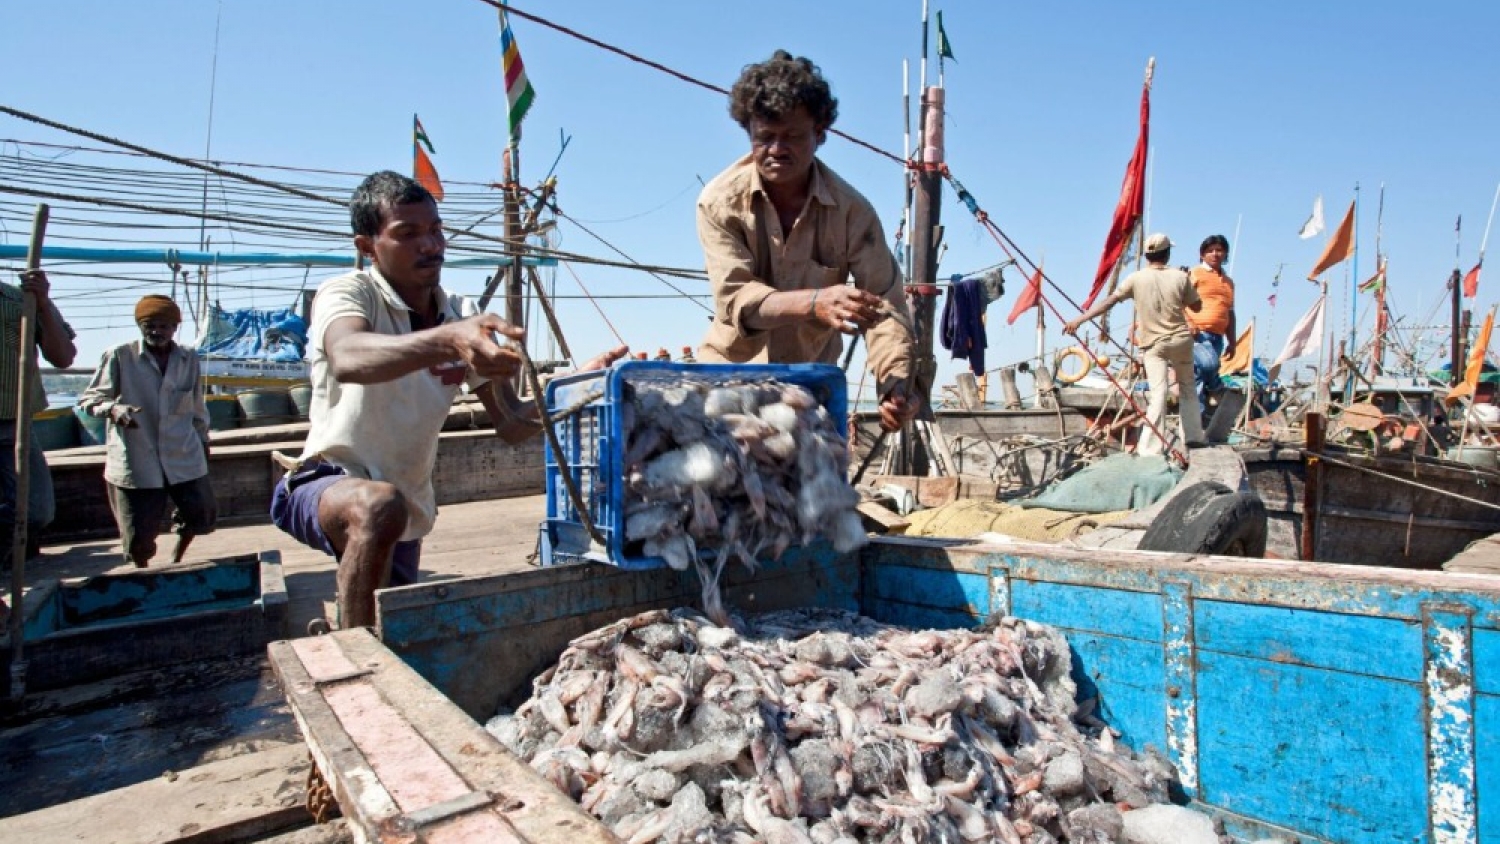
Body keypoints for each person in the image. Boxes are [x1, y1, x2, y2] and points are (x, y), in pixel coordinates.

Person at [271, 170, 626, 629]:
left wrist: (579, 385)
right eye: (408, 234)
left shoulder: (459, 313)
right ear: (367, 247)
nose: (430, 245)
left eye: (436, 230)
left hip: (407, 506)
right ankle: (354, 656)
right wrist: (448, 341)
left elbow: (512, 424)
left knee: (389, 613)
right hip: (325, 480)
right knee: (376, 510)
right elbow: (347, 356)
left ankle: (357, 637)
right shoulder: (349, 293)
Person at [696, 50, 920, 433]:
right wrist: (816, 302)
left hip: (808, 394)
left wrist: (895, 386)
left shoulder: (853, 212)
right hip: (729, 386)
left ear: (820, 134)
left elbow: (885, 307)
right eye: (765, 137)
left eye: (793, 136)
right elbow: (735, 300)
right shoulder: (719, 202)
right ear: (749, 134)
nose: (777, 149)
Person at [78, 295, 216, 568]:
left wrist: (203, 440)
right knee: (138, 537)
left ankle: (175, 560)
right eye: (150, 325)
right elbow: (89, 399)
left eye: (164, 326)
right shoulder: (120, 356)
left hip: (182, 454)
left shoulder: (188, 358)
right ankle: (142, 574)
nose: (157, 332)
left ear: (175, 327)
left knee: (201, 516)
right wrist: (113, 409)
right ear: (140, 326)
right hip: (139, 457)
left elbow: (196, 405)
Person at [1064, 233, 1205, 456]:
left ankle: (1151, 448)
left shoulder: (1136, 278)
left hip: (1153, 344)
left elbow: (1109, 302)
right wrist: (1185, 285)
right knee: (1188, 387)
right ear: (1167, 254)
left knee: (1159, 393)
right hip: (1180, 340)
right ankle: (1194, 436)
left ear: (1147, 256)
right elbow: (1197, 307)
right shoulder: (1180, 276)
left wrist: (1079, 320)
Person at [1, 269, 76, 574]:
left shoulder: (22, 299)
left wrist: (42, 303)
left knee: (36, 510)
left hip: (13, 425)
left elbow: (63, 357)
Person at [1186, 234, 1237, 414]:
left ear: (1225, 254)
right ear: (1202, 254)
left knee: (1198, 374)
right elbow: (1178, 301)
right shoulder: (1194, 273)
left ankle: (1198, 419)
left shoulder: (1228, 282)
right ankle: (1216, 387)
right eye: (1210, 250)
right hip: (1197, 333)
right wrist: (1188, 322)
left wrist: (1232, 342)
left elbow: (1230, 312)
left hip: (1218, 335)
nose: (1215, 254)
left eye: (1219, 250)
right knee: (1210, 365)